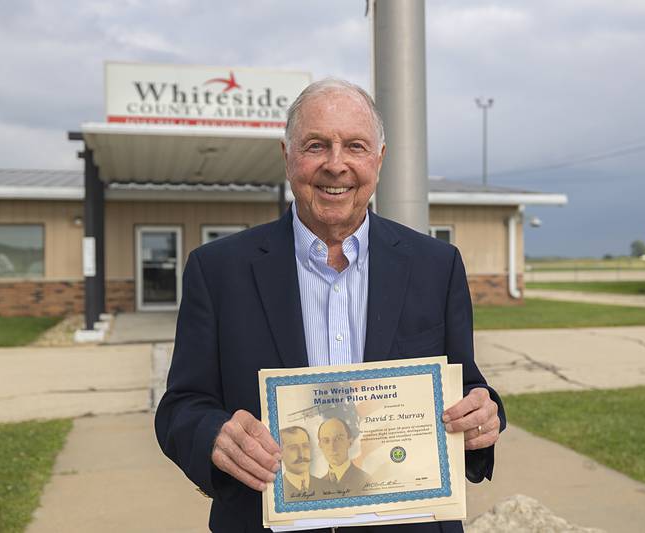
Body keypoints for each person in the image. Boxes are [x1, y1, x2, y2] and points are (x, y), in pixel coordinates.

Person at [155, 78, 505, 533]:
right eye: (316, 145)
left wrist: (483, 414)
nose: (335, 165)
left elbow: (467, 389)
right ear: (287, 157)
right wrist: (214, 436)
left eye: (355, 146)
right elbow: (181, 406)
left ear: (378, 160)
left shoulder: (436, 266)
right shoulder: (217, 270)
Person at [317, 417, 371, 497]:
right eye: (326, 440)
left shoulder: (367, 481)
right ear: (320, 445)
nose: (332, 447)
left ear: (350, 442)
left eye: (338, 439)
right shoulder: (317, 486)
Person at [278, 426, 331, 501]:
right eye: (293, 448)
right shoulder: (277, 491)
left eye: (305, 446)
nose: (301, 454)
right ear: (280, 453)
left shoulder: (328, 487)